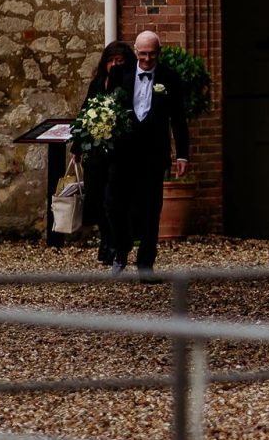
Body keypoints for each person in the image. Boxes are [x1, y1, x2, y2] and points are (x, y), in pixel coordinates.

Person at [105, 30, 189, 275]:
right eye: (143, 54)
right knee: (113, 204)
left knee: (151, 208)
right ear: (135, 51)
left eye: (152, 54)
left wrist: (182, 155)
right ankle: (121, 249)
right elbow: (105, 108)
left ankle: (145, 264)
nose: (147, 59)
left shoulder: (169, 78)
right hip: (122, 153)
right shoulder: (120, 74)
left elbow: (179, 120)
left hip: (154, 153)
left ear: (158, 53)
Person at [76, 39, 132, 266]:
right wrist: (78, 146)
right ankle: (106, 240)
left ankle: (117, 243)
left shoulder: (128, 85)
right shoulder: (98, 83)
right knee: (97, 199)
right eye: (110, 60)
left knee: (112, 200)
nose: (114, 65)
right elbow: (85, 111)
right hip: (97, 153)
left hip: (119, 153)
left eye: (119, 61)